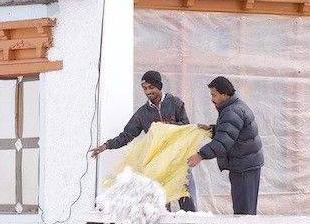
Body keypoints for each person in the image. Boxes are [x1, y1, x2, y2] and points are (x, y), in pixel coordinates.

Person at [91, 70, 197, 211]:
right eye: (145, 88)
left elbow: (186, 126)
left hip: (180, 161)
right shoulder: (142, 114)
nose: (148, 92)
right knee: (161, 207)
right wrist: (106, 145)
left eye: (151, 87)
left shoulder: (175, 103)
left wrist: (164, 127)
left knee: (188, 203)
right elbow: (127, 135)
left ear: (159, 87)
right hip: (158, 165)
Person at [187, 76, 264, 215]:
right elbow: (233, 132)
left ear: (225, 94)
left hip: (244, 167)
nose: (212, 99)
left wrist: (200, 155)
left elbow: (223, 141)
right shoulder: (234, 107)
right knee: (244, 209)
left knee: (244, 212)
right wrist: (212, 129)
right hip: (245, 164)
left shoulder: (232, 112)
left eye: (214, 95)